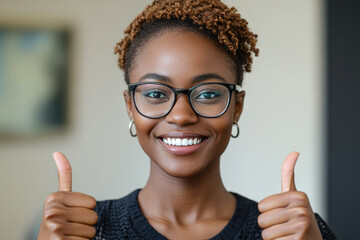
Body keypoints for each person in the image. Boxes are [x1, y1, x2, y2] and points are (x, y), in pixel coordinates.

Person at [37, 0, 336, 239]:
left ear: (237, 107)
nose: (181, 115)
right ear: (130, 106)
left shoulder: (292, 231)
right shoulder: (83, 232)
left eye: (207, 94)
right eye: (155, 94)